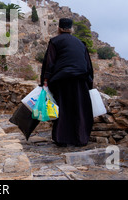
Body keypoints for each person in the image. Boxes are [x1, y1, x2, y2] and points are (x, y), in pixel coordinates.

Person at [40, 18, 94, 147]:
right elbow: (88, 64)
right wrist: (90, 83)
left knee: (63, 108)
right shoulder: (81, 43)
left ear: (59, 28)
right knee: (79, 109)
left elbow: (49, 63)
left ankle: (62, 138)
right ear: (71, 29)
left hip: (62, 80)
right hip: (81, 80)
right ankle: (80, 139)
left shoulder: (55, 41)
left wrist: (44, 81)